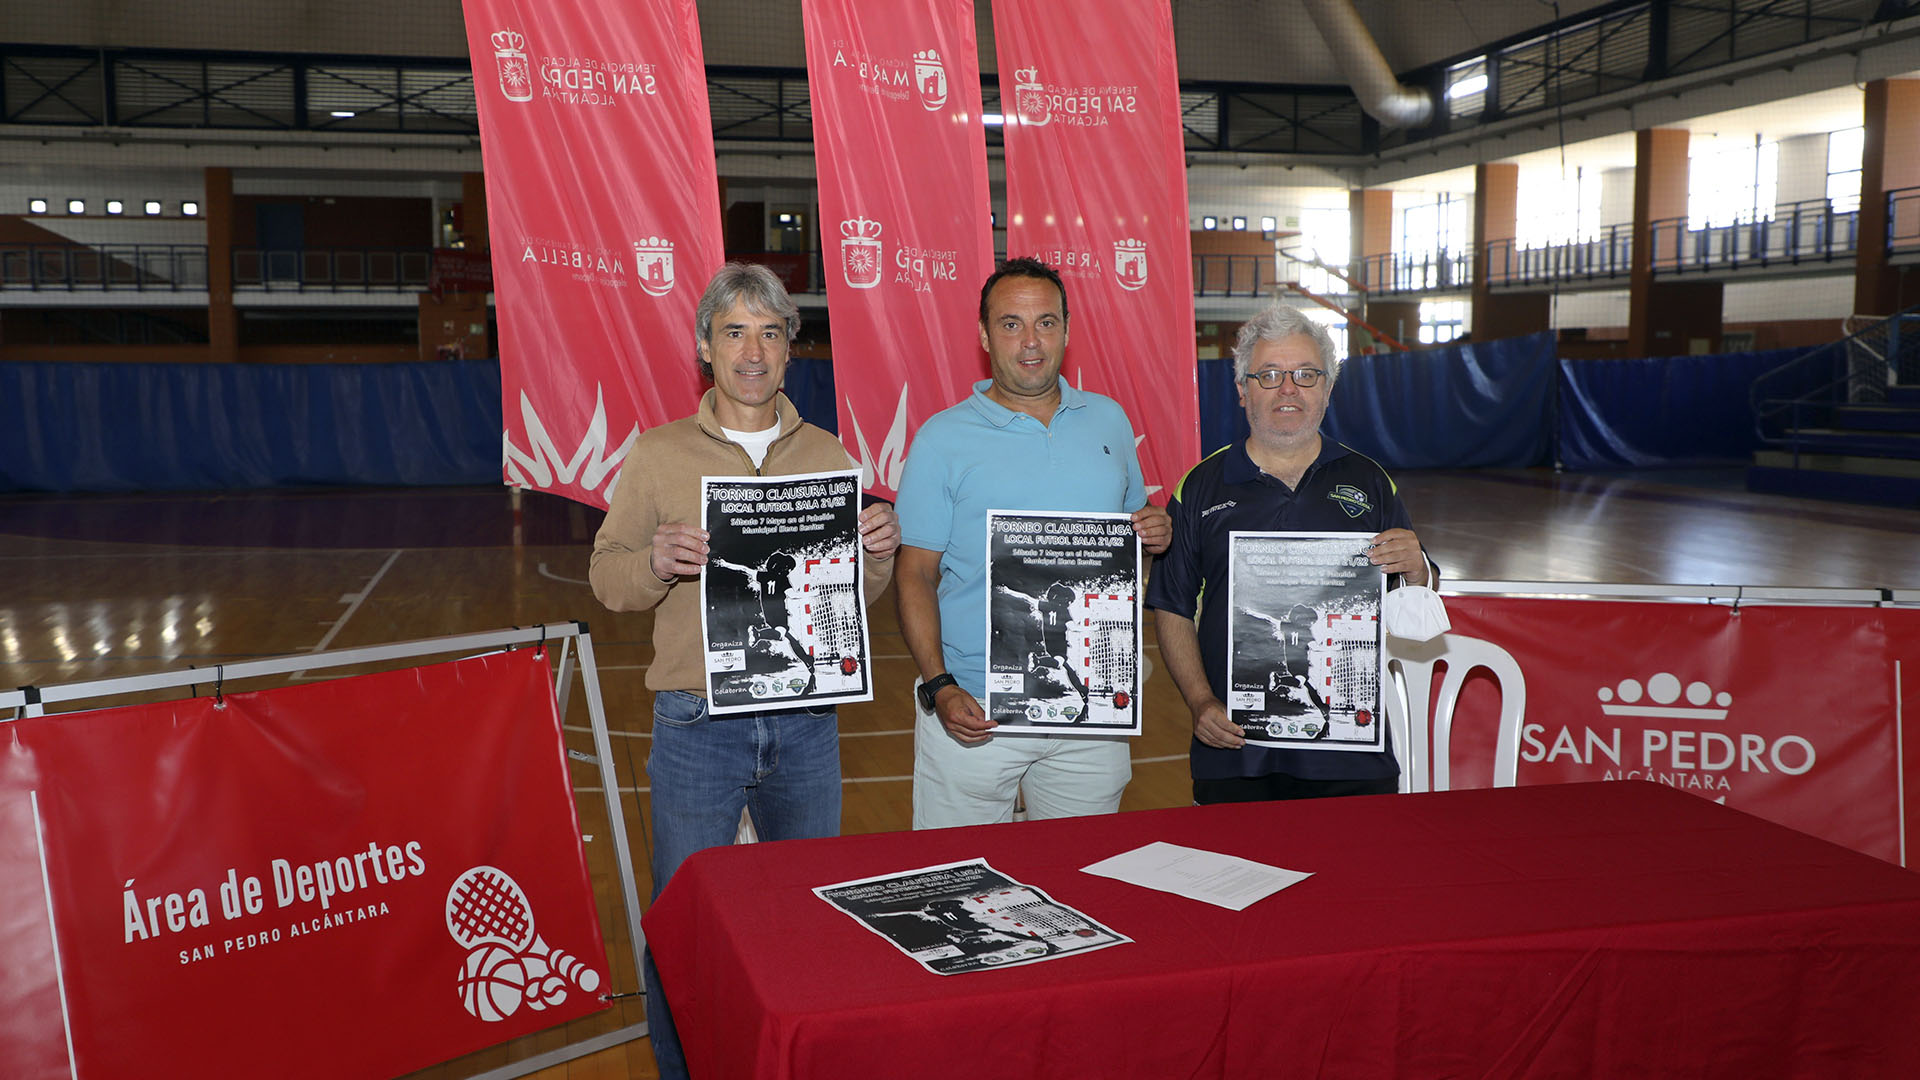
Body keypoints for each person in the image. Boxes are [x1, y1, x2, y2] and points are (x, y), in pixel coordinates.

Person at [588, 261, 900, 1079]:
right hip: (697, 726)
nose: (752, 351)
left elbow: (852, 602)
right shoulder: (658, 455)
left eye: (770, 333)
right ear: (705, 348)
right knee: (685, 925)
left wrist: (875, 560)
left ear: (790, 350)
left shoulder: (828, 452)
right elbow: (606, 577)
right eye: (734, 333)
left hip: (807, 723)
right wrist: (653, 561)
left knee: (810, 915)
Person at [893, 257, 1170, 828]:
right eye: (1011, 324)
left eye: (1045, 322)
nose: (1030, 342)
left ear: (1067, 330)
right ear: (983, 334)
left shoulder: (1109, 420)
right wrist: (939, 685)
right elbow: (915, 572)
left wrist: (1152, 532)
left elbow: (1122, 542)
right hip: (974, 710)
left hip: (1092, 704)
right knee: (957, 882)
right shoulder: (942, 437)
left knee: (1083, 876)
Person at [1145, 304, 1433, 804]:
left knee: (1361, 881)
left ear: (1327, 388)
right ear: (1241, 389)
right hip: (1234, 748)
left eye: (1305, 374)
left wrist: (1419, 570)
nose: (1288, 389)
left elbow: (1415, 601)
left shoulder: (1369, 480)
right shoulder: (1199, 486)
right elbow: (1172, 605)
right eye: (1270, 375)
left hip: (1351, 752)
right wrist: (1198, 701)